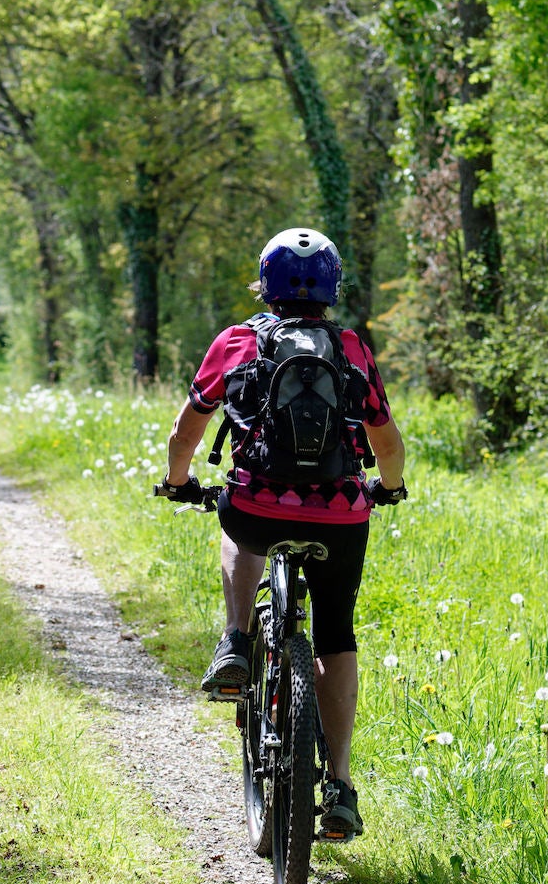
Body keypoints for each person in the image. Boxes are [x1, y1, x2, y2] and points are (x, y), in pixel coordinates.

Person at [156, 227, 406, 841]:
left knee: (237, 528)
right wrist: (389, 488)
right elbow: (387, 442)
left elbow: (186, 433)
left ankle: (236, 643)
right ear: (333, 286)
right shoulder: (350, 348)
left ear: (265, 284)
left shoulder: (236, 341)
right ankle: (341, 785)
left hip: (259, 504)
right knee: (335, 635)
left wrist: (179, 481)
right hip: (342, 515)